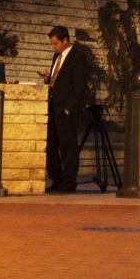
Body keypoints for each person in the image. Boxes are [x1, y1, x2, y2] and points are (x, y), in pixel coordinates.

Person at [42, 25, 95, 193]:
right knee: (51, 146)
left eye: (56, 43)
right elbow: (58, 81)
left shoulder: (77, 58)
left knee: (68, 147)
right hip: (52, 107)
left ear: (65, 41)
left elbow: (79, 86)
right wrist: (48, 79)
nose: (54, 47)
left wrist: (69, 108)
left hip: (65, 110)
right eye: (52, 44)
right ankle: (56, 179)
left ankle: (69, 182)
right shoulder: (56, 57)